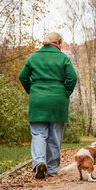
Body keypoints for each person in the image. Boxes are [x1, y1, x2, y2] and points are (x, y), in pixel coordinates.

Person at [18, 32, 77, 179]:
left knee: (38, 134)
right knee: (54, 136)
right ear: (59, 43)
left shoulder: (33, 57)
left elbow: (22, 76)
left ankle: (39, 161)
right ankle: (52, 168)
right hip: (58, 100)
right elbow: (72, 77)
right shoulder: (63, 58)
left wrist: (31, 89)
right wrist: (65, 92)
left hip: (38, 99)